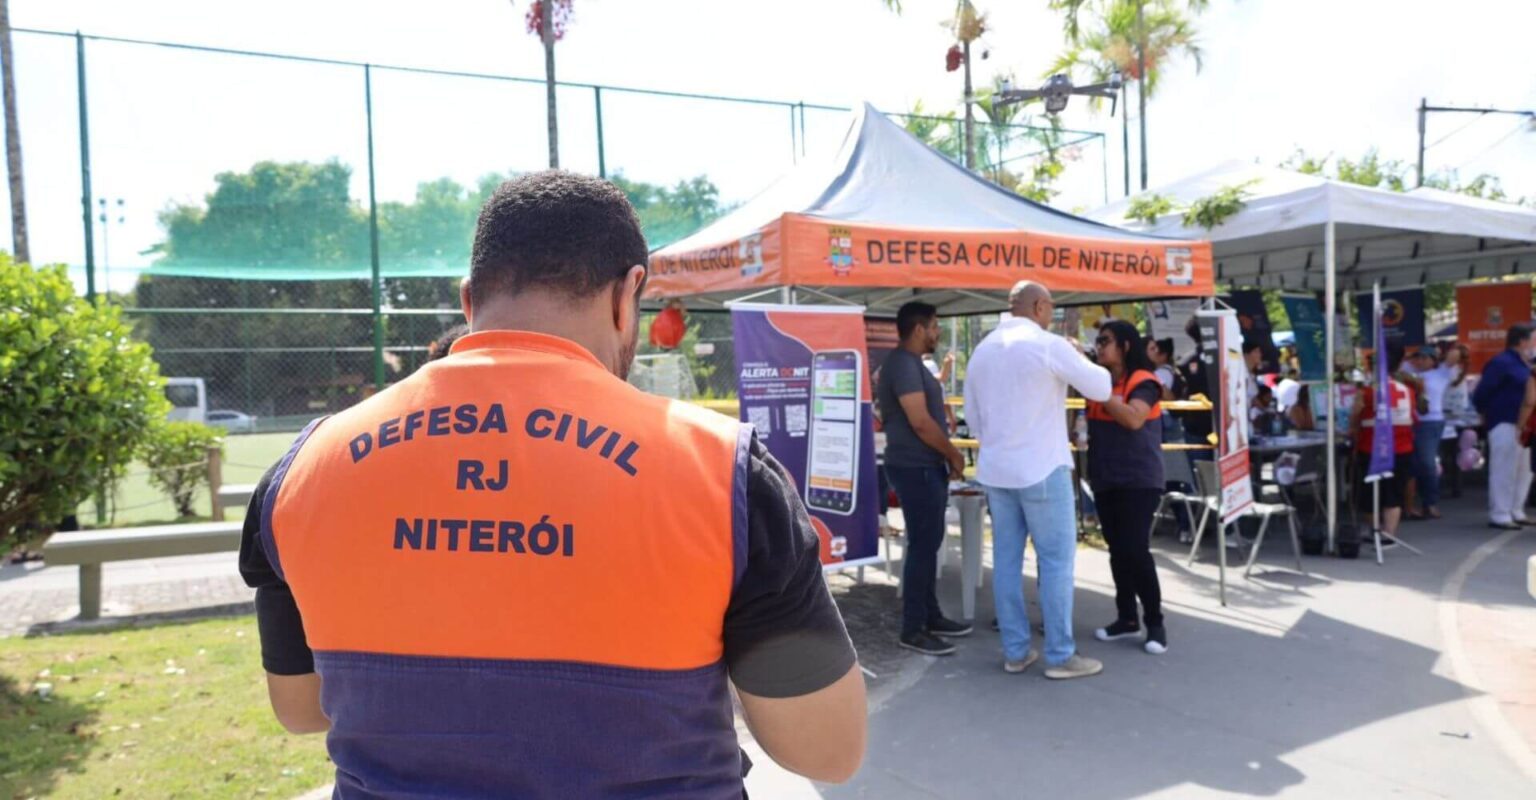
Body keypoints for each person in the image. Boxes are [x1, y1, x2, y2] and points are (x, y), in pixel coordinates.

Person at [239, 171, 867, 796]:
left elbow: (301, 709)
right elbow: (826, 749)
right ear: (629, 295)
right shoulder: (725, 472)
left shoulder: (301, 472)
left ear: (468, 302)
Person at [964, 280, 1111, 679]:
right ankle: (1061, 656)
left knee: (1007, 561)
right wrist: (1080, 355)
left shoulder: (982, 351)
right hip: (1043, 468)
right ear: (1041, 306)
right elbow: (1101, 386)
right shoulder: (1048, 345)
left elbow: (974, 419)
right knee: (1056, 563)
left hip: (997, 470)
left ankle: (1015, 652)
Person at [879, 301, 972, 656]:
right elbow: (919, 421)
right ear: (919, 329)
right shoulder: (902, 364)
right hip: (914, 466)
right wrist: (951, 452)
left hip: (924, 466)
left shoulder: (911, 364)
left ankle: (929, 615)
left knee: (928, 543)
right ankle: (913, 628)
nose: (938, 333)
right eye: (934, 326)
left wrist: (943, 456)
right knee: (922, 545)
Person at [1085, 320, 1169, 655]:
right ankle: (1126, 618)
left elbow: (1134, 419)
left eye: (1105, 341)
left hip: (1139, 480)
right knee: (1118, 550)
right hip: (1106, 479)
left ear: (1125, 347)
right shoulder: (1099, 382)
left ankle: (1155, 622)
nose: (1099, 346)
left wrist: (1101, 392)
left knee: (1135, 549)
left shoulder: (1145, 382)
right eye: (1098, 341)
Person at [1349, 345, 1417, 544]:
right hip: (1403, 447)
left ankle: (1375, 530)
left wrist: (1352, 428)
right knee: (1394, 492)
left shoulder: (1368, 391)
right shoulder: (1408, 390)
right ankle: (1389, 534)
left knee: (1370, 493)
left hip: (1371, 447)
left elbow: (1355, 414)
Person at [1472, 323, 1536, 530]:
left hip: (1526, 425)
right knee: (1504, 469)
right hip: (1505, 422)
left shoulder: (1525, 364)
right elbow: (1482, 393)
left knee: (1523, 470)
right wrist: (1487, 414)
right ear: (1522, 341)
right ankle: (1500, 513)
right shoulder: (1501, 363)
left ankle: (1516, 509)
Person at [1404, 348, 1454, 519]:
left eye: (1424, 358)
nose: (1420, 362)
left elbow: (1456, 354)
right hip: (1410, 420)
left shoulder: (1441, 374)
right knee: (1411, 463)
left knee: (1427, 462)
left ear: (1433, 360)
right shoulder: (1408, 372)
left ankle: (1430, 502)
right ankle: (1409, 504)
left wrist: (1441, 354)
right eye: (1418, 358)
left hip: (1430, 421)